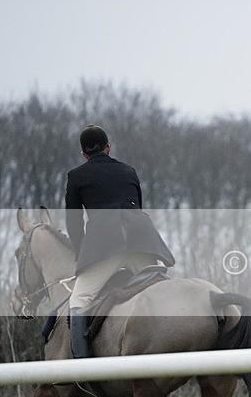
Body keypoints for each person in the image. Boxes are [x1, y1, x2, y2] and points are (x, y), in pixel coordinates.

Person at [65, 125, 175, 358]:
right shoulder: (129, 171)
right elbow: (139, 207)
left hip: (104, 247)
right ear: (108, 148)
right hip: (140, 241)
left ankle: (81, 367)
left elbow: (73, 223)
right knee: (164, 290)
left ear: (83, 154)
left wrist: (80, 255)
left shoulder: (76, 176)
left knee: (79, 298)